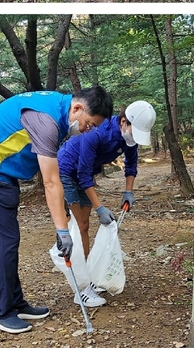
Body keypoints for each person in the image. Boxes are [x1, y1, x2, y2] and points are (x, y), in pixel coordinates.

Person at [0, 87, 113, 334]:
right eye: (89, 123)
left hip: (4, 174)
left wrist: (62, 214)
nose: (89, 129)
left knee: (9, 241)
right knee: (2, 244)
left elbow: (54, 175)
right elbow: (50, 182)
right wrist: (62, 232)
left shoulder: (61, 108)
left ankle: (16, 303)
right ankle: (0, 313)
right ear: (78, 109)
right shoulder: (47, 121)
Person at [56, 100, 156, 305]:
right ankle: (81, 289)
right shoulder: (97, 133)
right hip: (66, 170)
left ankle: (87, 279)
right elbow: (83, 175)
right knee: (78, 226)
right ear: (123, 122)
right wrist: (99, 207)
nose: (134, 138)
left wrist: (129, 191)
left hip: (85, 173)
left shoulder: (128, 139)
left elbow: (131, 164)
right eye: (133, 131)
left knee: (85, 227)